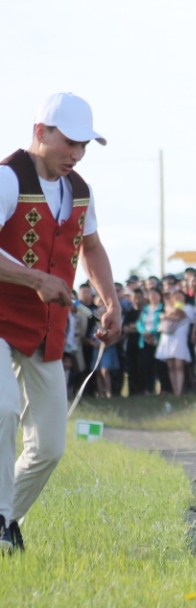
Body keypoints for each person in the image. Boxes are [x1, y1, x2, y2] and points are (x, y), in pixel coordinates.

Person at [0, 93, 120, 552]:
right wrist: (35, 278)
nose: (77, 154)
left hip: (45, 329)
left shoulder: (81, 190)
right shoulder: (8, 179)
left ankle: (7, 518)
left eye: (84, 145)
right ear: (40, 133)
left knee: (50, 446)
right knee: (5, 408)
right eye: (69, 142)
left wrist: (112, 302)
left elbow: (91, 248)